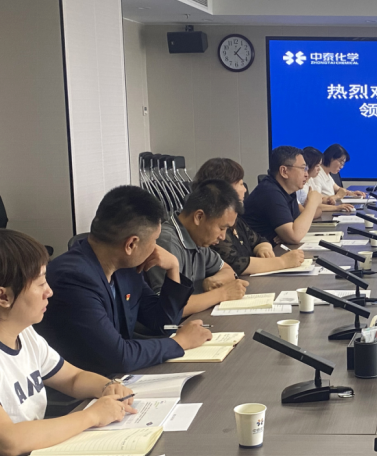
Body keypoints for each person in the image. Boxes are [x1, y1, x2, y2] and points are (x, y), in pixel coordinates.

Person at [36, 186, 211, 376]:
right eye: (154, 240)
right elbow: (119, 357)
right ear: (131, 244)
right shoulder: (73, 279)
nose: (156, 248)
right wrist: (180, 342)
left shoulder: (125, 268)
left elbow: (162, 324)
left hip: (112, 378)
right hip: (81, 385)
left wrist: (173, 268)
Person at [0, 230, 139, 456]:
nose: (49, 291)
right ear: (4, 297)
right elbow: (9, 441)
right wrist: (92, 416)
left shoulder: (26, 334)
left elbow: (72, 378)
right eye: (40, 283)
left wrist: (107, 387)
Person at [148, 180, 249, 316]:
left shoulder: (198, 239)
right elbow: (169, 308)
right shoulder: (166, 242)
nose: (223, 237)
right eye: (221, 228)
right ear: (199, 217)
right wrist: (222, 293)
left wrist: (213, 280)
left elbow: (227, 270)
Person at [192, 158, 306, 276]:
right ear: (223, 189)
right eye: (241, 184)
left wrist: (263, 248)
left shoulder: (237, 221)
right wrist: (283, 262)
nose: (245, 189)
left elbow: (259, 239)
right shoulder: (213, 226)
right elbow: (235, 264)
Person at [244, 146, 323, 244]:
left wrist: (288, 234)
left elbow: (297, 225)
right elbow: (294, 236)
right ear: (284, 171)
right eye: (303, 168)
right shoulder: (270, 192)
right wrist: (312, 203)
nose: (306, 174)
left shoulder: (289, 191)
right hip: (259, 251)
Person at [298, 147, 358, 213]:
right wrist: (336, 205)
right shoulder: (312, 179)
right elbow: (311, 206)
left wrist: (351, 193)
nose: (319, 169)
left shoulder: (319, 177)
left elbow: (321, 198)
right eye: (317, 166)